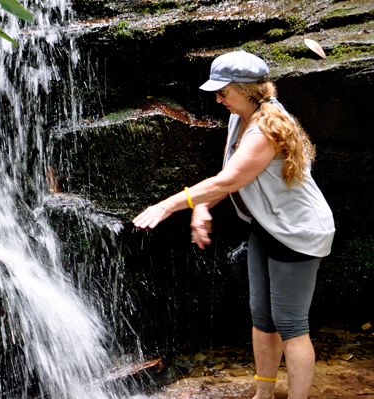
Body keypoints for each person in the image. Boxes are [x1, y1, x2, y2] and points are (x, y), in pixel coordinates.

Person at [132, 50, 335, 399]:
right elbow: (229, 178)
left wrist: (169, 205)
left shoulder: (267, 128)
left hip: (298, 232)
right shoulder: (241, 117)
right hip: (267, 227)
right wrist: (201, 209)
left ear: (247, 89)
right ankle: (264, 394)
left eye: (224, 90)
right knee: (262, 317)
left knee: (291, 325)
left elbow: (229, 180)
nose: (218, 98)